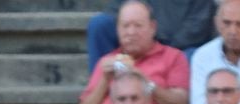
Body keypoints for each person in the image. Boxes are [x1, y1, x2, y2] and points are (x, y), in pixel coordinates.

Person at [79, 2, 192, 104]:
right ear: (117, 29)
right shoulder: (107, 62)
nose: (131, 32)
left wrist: (145, 82)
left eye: (138, 25)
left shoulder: (173, 57)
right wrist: (104, 81)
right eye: (125, 26)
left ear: (152, 27)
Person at [86, 0, 218, 70]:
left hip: (179, 48)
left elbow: (197, 27)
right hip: (140, 42)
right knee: (99, 24)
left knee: (192, 56)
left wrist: (159, 49)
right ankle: (99, 88)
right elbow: (117, 12)